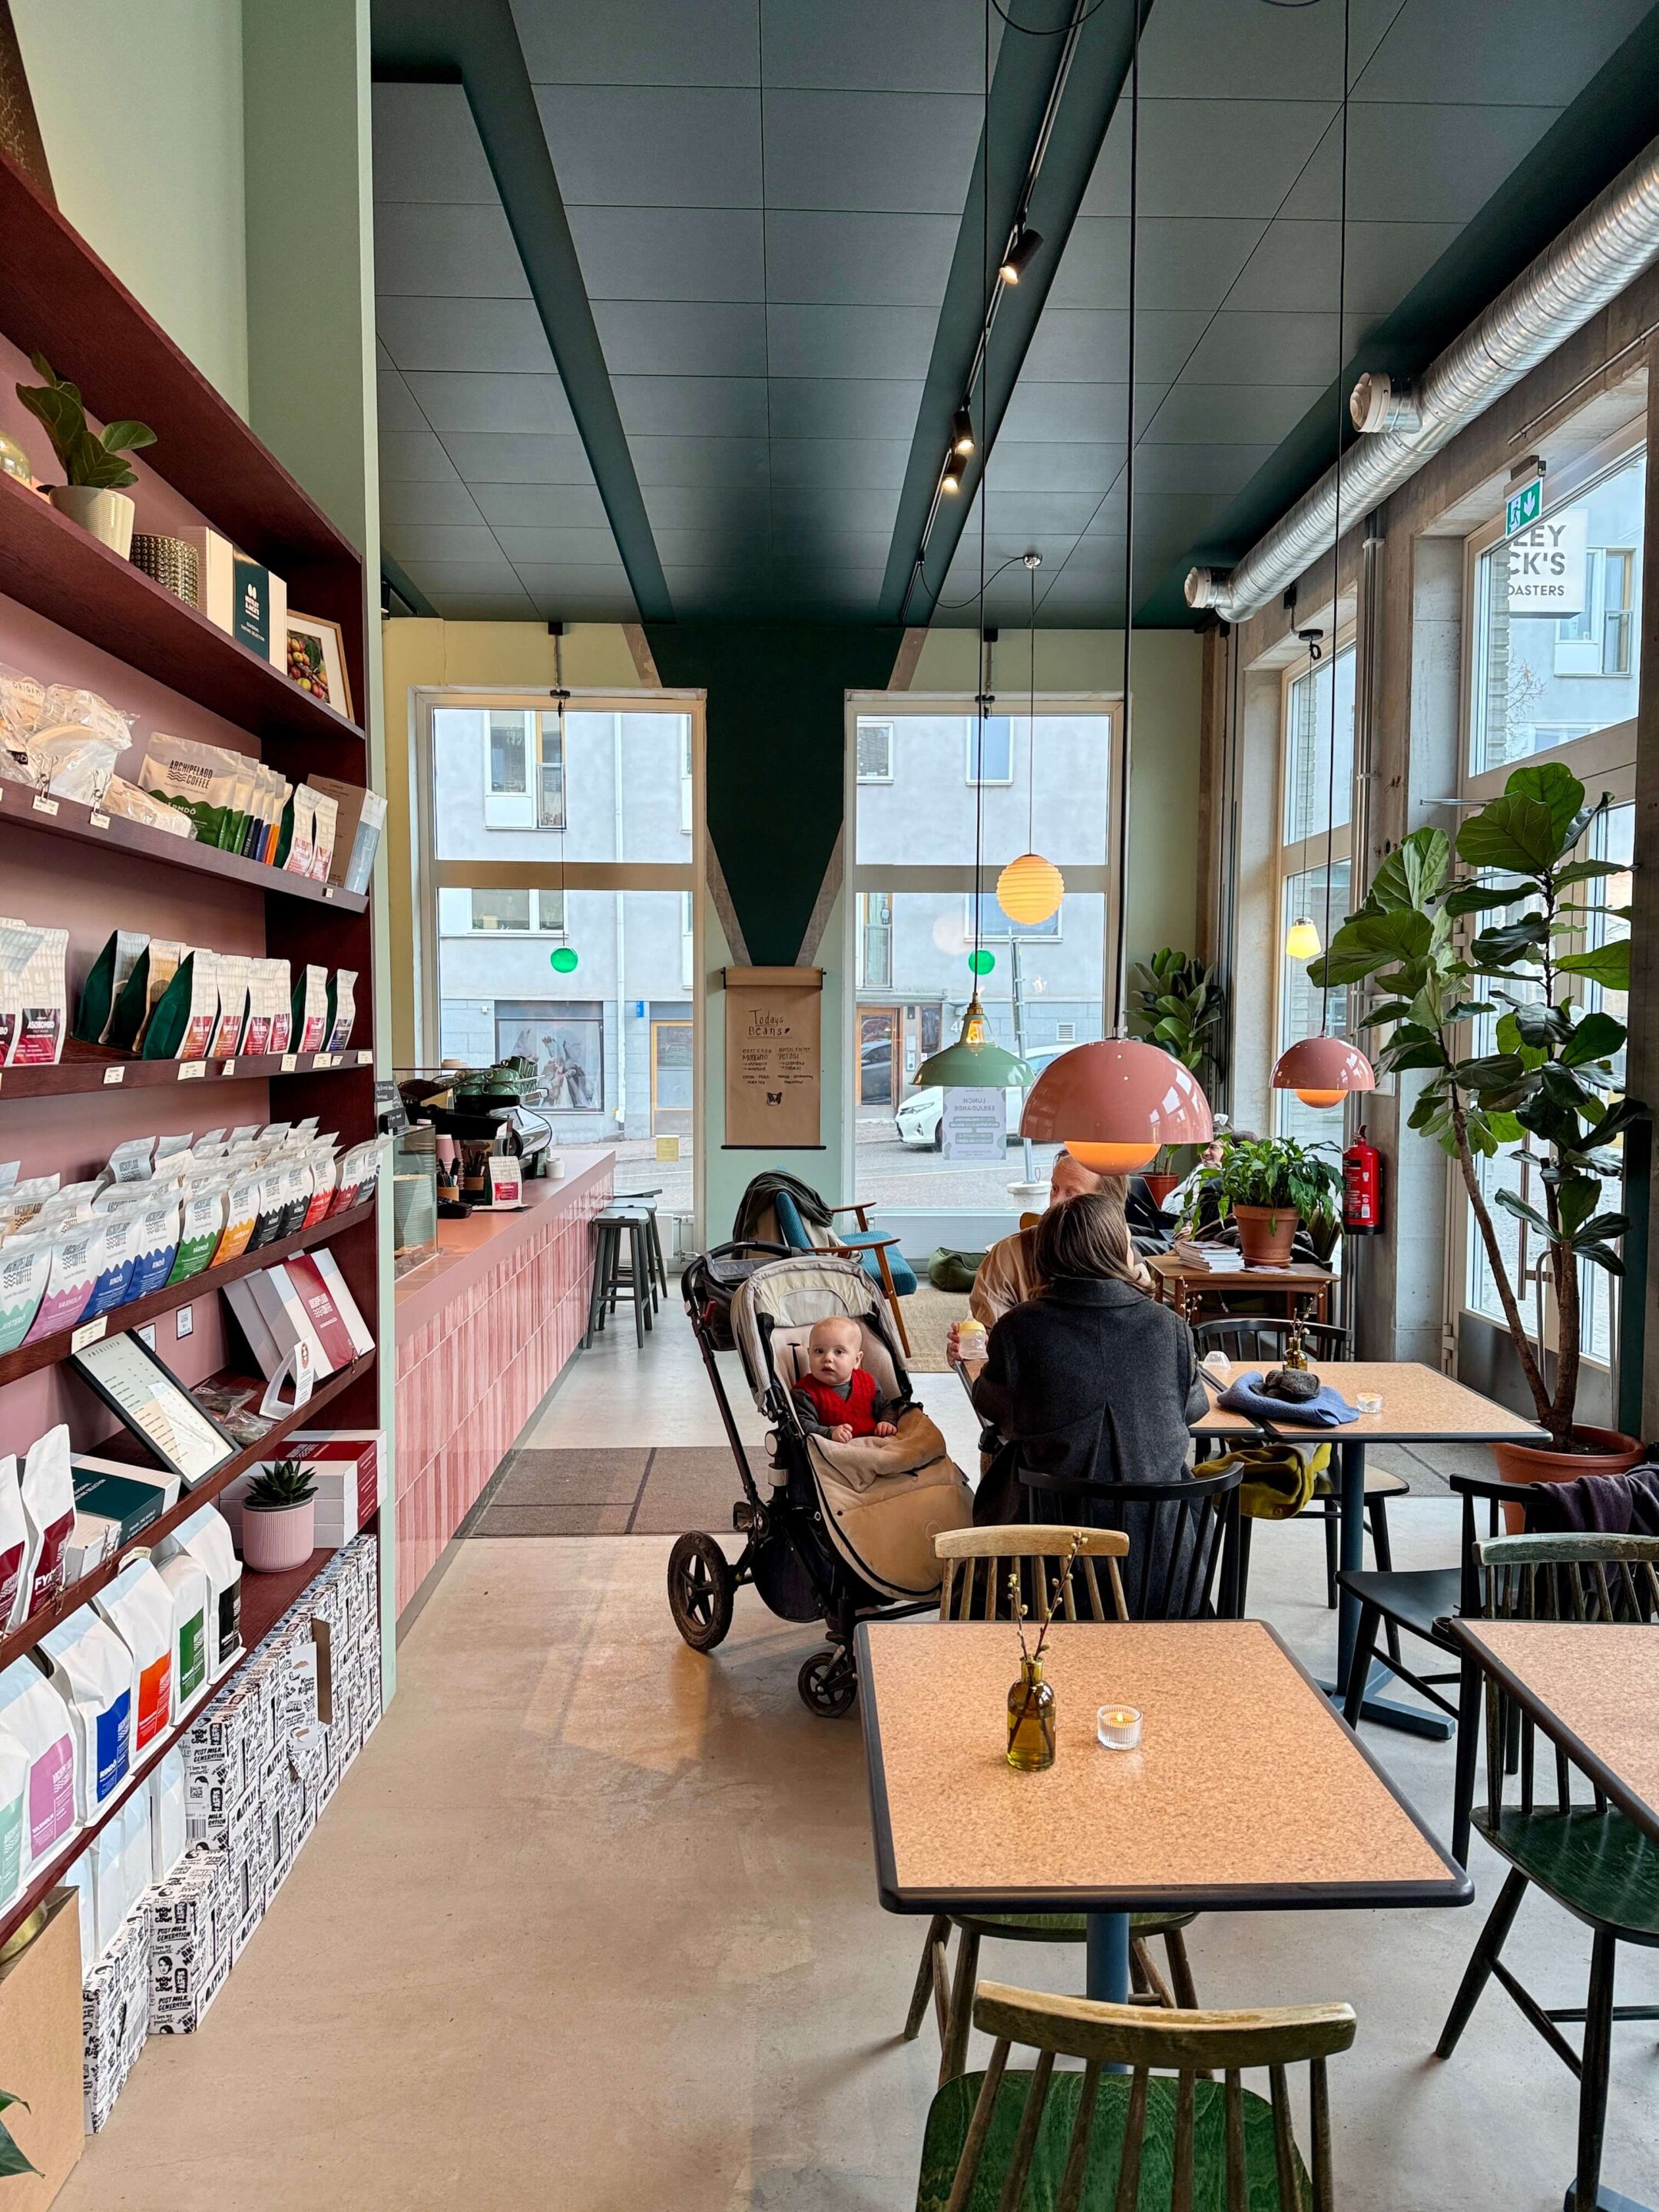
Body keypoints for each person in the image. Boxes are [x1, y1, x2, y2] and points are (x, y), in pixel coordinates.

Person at [958, 1191, 1207, 1536]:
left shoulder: (1019, 1328)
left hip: (1048, 1559)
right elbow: (1192, 1408)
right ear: (1118, 1252)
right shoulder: (1169, 1326)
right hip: (1161, 1559)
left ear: (1046, 1254)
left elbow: (992, 1406)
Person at [962, 1151, 1145, 1336]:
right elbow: (989, 1344)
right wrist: (971, 1343)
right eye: (1055, 1188)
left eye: (1071, 1194)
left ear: (1106, 1208)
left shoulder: (1129, 1262)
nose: (1055, 1203)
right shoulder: (1008, 1256)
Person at [792, 1316, 899, 1443]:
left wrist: (887, 1422)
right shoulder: (804, 1392)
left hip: (873, 1445)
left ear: (857, 1360)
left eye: (839, 1352)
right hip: (833, 1452)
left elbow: (884, 1407)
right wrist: (830, 1432)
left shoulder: (868, 1382)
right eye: (819, 1351)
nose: (828, 1358)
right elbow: (805, 1425)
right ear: (809, 1354)